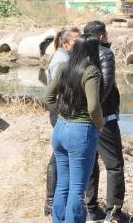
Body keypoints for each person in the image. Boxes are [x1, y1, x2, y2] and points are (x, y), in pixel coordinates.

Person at [45, 34, 104, 223]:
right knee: (77, 189)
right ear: (93, 50)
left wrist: (64, 114)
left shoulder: (64, 67)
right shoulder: (92, 72)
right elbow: (93, 107)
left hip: (60, 130)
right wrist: (100, 126)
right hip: (81, 133)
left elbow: (48, 99)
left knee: (63, 184)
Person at [83, 21, 127, 222]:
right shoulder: (105, 53)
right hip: (104, 118)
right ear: (102, 36)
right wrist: (97, 114)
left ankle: (91, 209)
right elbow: (106, 86)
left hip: (84, 117)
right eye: (106, 34)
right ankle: (114, 212)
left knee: (91, 163)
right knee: (114, 165)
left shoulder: (80, 52)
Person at [45, 27, 82, 216]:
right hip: (60, 112)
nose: (80, 43)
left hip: (63, 111)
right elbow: (52, 95)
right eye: (77, 41)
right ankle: (51, 200)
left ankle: (56, 199)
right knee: (59, 155)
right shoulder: (61, 60)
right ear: (65, 43)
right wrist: (63, 111)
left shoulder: (67, 58)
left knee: (62, 155)